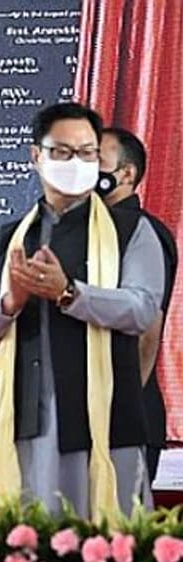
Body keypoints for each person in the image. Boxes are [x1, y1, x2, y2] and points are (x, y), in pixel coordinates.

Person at [0, 103, 165, 521]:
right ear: (37, 156)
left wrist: (70, 294)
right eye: (63, 152)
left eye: (87, 153)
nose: (77, 163)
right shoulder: (7, 238)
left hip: (109, 423)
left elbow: (143, 310)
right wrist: (9, 302)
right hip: (29, 422)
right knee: (35, 557)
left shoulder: (132, 230)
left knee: (112, 558)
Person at [97, 127, 179, 487]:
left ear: (126, 173)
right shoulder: (79, 228)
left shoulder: (141, 232)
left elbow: (147, 329)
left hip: (123, 419)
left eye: (95, 160)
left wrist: (119, 412)